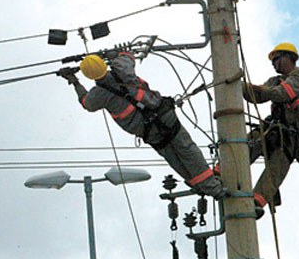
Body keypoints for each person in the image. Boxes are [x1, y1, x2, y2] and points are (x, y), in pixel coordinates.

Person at [58, 52, 228, 200]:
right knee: (187, 150)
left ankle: (209, 188)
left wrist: (74, 81)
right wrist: (110, 55)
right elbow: (127, 55)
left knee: (176, 160)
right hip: (164, 116)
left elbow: (86, 103)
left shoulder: (98, 95)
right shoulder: (121, 68)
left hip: (150, 131)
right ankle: (212, 186)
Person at [243, 42, 299, 218]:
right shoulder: (275, 81)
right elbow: (258, 96)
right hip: (275, 128)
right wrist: (239, 86)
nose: (273, 63)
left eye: (276, 59)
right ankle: (225, 169)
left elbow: (281, 94)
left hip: (292, 133)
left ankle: (257, 201)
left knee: (276, 167)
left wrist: (254, 88)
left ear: (289, 57)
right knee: (251, 140)